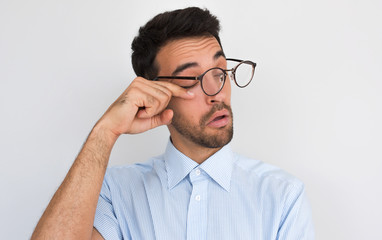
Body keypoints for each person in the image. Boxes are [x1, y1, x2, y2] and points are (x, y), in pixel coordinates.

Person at [31, 7, 314, 240]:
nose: (216, 94)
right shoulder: (115, 192)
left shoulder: (281, 195)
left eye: (220, 71)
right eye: (191, 79)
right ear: (156, 94)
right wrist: (105, 132)